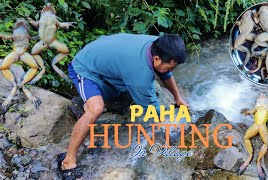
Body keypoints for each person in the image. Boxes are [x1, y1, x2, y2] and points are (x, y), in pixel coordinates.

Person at [56, 33, 189, 179]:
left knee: (124, 97)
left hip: (105, 66)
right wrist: (167, 131)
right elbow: (152, 108)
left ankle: (92, 98)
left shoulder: (158, 46)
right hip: (84, 68)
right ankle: (67, 161)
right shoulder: (139, 73)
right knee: (96, 109)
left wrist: (178, 98)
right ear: (156, 59)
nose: (172, 71)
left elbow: (165, 73)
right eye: (171, 67)